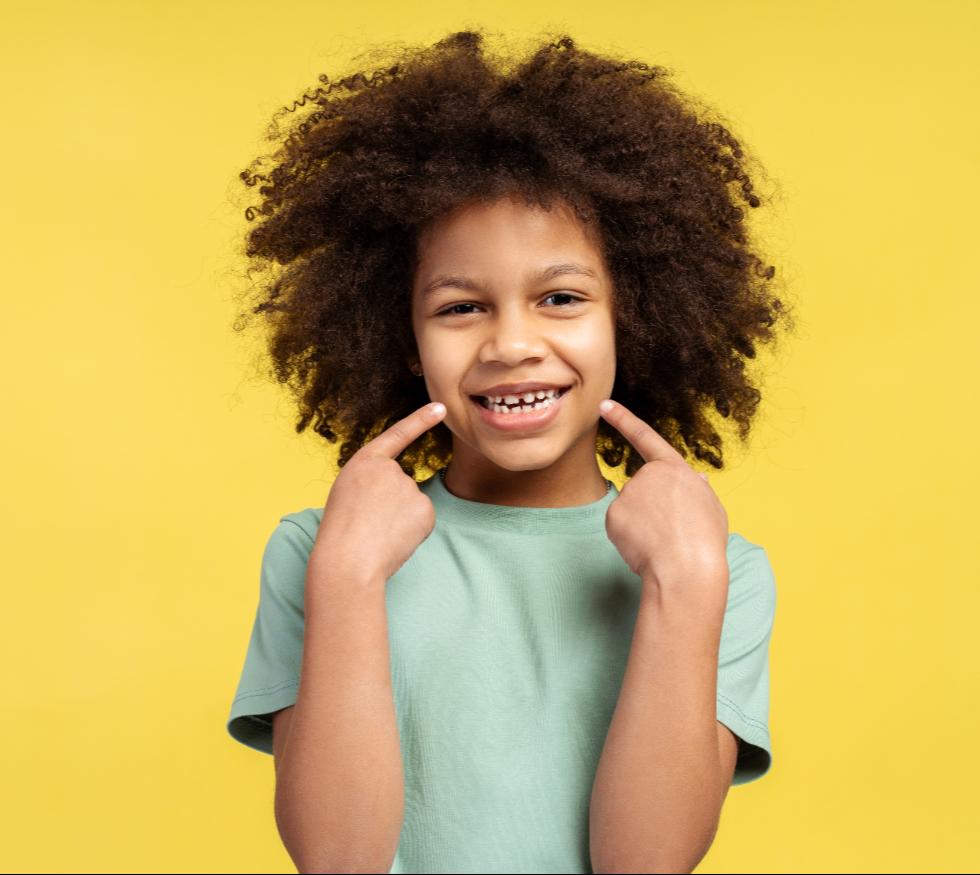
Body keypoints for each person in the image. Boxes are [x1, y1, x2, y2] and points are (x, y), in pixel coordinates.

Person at [226, 28, 795, 874]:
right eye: (461, 307)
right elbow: (337, 860)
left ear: (632, 318)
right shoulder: (320, 553)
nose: (512, 343)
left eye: (560, 297)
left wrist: (685, 580)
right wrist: (348, 577)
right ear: (403, 337)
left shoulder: (717, 569)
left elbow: (645, 863)